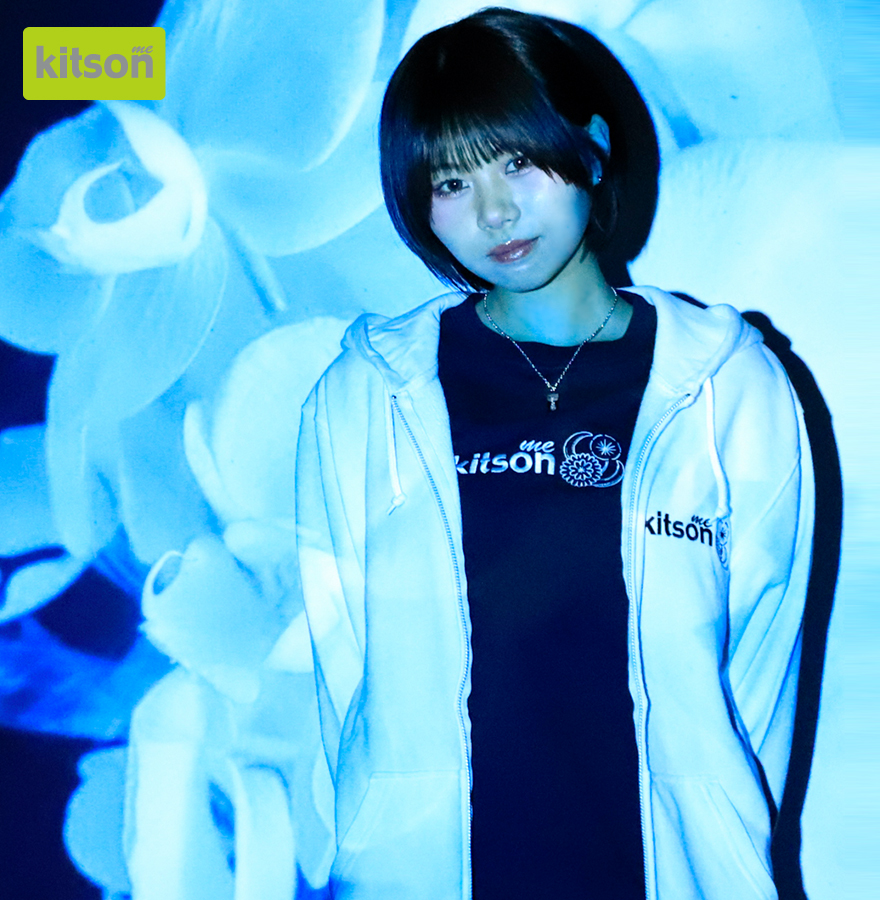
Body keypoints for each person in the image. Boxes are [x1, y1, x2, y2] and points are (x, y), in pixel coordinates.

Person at [294, 8, 814, 899]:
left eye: (516, 162)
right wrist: (385, 829)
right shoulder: (365, 395)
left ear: (593, 150)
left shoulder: (728, 385)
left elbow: (763, 658)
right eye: (451, 182)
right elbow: (345, 663)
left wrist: (714, 834)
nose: (494, 211)